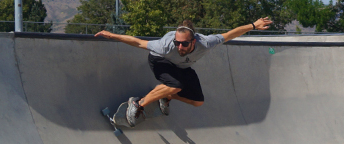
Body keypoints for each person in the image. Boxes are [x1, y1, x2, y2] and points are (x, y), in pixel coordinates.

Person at [95, 18, 273, 126]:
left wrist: (253, 25)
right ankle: (138, 104)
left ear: (193, 41)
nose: (180, 46)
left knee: (198, 102)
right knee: (176, 85)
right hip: (160, 62)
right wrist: (112, 35)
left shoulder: (206, 42)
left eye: (184, 44)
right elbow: (139, 42)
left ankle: (166, 96)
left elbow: (229, 34)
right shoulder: (165, 45)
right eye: (177, 43)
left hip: (182, 67)